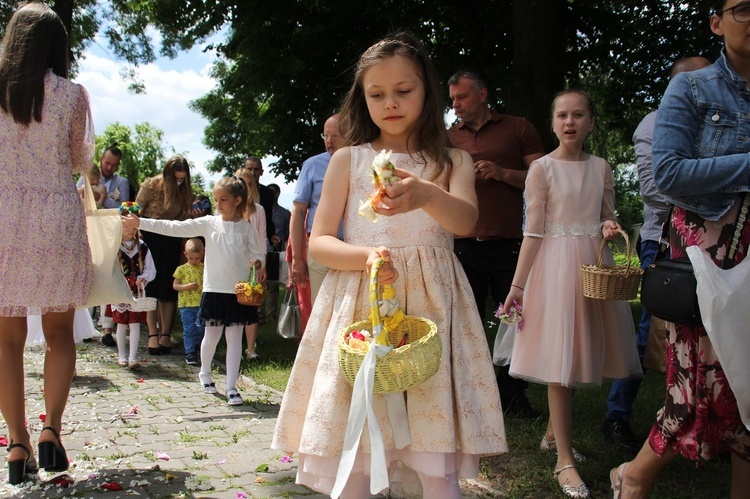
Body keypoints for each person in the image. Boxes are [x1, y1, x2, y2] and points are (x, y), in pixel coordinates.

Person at [272, 33, 506, 498]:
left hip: (433, 307)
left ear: (428, 92)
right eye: (377, 94)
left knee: (434, 454)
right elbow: (318, 243)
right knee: (357, 445)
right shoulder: (348, 160)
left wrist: (425, 193)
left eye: (405, 90)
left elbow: (464, 220)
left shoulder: (453, 159)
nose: (391, 103)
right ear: (362, 99)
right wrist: (366, 257)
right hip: (363, 301)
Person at [611, 3, 750, 497]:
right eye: (743, 8)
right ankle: (634, 477)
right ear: (717, 22)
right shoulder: (691, 88)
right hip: (710, 259)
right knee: (697, 388)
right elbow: (666, 175)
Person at [501, 89, 642, 498]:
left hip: (591, 268)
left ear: (591, 122)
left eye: (578, 115)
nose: (569, 122)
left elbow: (606, 217)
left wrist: (610, 228)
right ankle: (564, 459)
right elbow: (532, 232)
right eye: (562, 115)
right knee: (561, 361)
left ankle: (550, 434)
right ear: (552, 122)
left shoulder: (601, 167)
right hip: (555, 267)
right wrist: (517, 286)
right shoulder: (541, 169)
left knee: (580, 352)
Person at [0, 2, 95, 484]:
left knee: (7, 339)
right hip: (55, 215)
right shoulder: (71, 94)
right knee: (59, 333)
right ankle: (50, 432)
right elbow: (80, 159)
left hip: (3, 218)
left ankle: (15, 444)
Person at [602, 56, 712, 453]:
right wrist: (720, 184)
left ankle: (702, 423)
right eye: (696, 80)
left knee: (710, 333)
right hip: (664, 241)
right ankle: (617, 416)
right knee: (654, 329)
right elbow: (655, 190)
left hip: (717, 241)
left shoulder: (722, 120)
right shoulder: (654, 124)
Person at [447, 70, 545, 419]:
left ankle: (512, 394)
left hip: (511, 242)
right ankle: (468, 396)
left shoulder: (518, 127)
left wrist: (503, 174)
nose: (455, 104)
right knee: (463, 322)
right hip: (462, 244)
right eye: (453, 98)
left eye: (462, 97)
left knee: (517, 321)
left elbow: (543, 179)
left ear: (483, 94)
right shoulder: (447, 138)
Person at [123, 176, 265, 406]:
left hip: (238, 293)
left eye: (223, 199)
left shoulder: (247, 229)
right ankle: (205, 373)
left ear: (238, 200)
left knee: (234, 337)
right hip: (214, 290)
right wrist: (141, 223)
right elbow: (174, 227)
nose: (217, 203)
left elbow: (258, 252)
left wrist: (257, 262)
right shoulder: (209, 223)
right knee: (212, 335)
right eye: (216, 199)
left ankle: (231, 386)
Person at [136, 156, 197, 356]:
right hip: (151, 237)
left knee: (168, 287)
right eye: (176, 179)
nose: (179, 182)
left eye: (182, 179)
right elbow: (137, 209)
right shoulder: (151, 184)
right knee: (152, 284)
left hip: (172, 238)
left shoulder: (186, 191)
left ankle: (165, 333)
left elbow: (185, 218)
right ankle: (152, 333)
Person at [289, 114, 346, 306]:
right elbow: (297, 213)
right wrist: (297, 258)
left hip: (354, 246)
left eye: (336, 136)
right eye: (325, 136)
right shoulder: (312, 165)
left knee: (351, 310)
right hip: (320, 247)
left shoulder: (362, 162)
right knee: (321, 311)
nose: (329, 142)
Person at [106, 202, 156, 370]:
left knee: (135, 324)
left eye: (133, 228)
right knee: (120, 324)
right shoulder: (114, 246)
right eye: (126, 227)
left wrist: (143, 278)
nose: (130, 230)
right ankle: (121, 356)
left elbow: (151, 270)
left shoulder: (142, 248)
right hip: (120, 290)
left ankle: (133, 357)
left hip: (137, 290)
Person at [235, 167, 267, 359]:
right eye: (240, 182)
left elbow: (262, 239)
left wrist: (263, 265)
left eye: (247, 183)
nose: (244, 187)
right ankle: (234, 348)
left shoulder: (259, 210)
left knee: (251, 305)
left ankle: (250, 349)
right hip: (233, 263)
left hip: (253, 265)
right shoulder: (228, 210)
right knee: (234, 306)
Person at [173, 238, 206, 366]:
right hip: (186, 305)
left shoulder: (204, 268)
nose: (194, 261)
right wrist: (186, 287)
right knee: (189, 329)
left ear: (202, 255)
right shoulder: (181, 269)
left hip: (200, 305)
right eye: (191, 258)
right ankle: (190, 352)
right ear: (185, 255)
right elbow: (175, 286)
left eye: (197, 258)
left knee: (200, 329)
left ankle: (197, 347)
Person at [265, 183, 291, 322]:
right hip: (263, 250)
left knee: (274, 284)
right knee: (261, 283)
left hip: (277, 252)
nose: (272, 194)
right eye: (269, 192)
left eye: (274, 192)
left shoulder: (285, 213)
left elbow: (288, 234)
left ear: (278, 194)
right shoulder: (262, 210)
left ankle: (271, 314)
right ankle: (259, 314)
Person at [243, 156, 276, 243]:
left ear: (261, 172)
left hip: (258, 238)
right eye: (249, 169)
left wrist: (272, 235)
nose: (252, 173)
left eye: (256, 169)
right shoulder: (235, 191)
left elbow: (268, 218)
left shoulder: (268, 193)